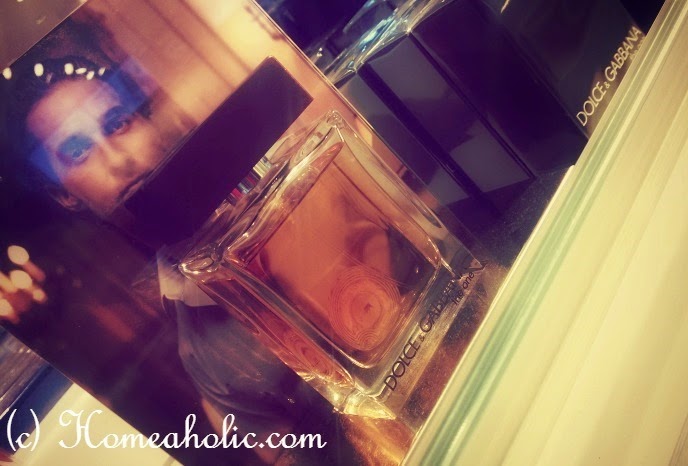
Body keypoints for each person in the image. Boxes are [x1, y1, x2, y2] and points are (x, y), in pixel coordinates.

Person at [3, 20, 332, 465]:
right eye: (78, 150)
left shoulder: (293, 194)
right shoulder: (185, 325)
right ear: (64, 193)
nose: (120, 159)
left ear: (147, 123)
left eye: (118, 123)